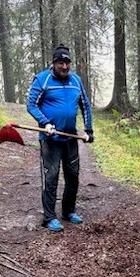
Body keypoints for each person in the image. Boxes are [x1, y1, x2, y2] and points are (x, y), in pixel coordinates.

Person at [26, 44, 94, 232]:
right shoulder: (42, 79)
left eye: (67, 63)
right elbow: (31, 104)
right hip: (50, 140)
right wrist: (45, 122)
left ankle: (68, 211)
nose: (65, 67)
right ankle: (49, 217)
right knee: (51, 176)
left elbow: (85, 106)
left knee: (73, 176)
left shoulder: (76, 81)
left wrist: (89, 130)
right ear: (54, 63)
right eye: (61, 63)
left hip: (70, 138)